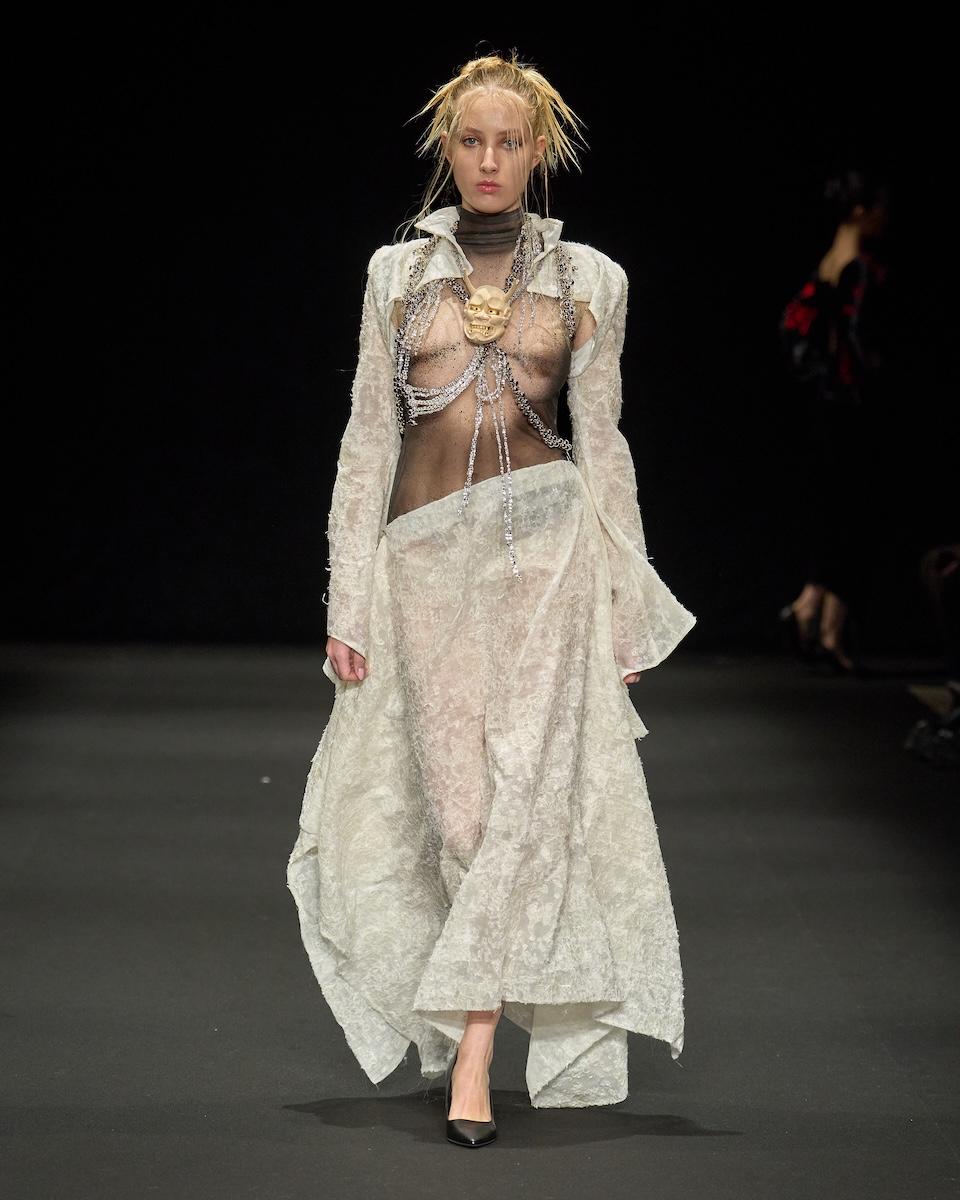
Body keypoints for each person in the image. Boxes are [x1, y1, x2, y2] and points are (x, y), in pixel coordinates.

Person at [286, 52, 697, 1147]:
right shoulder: (393, 276)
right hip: (423, 564)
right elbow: (368, 440)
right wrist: (347, 598)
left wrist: (626, 601)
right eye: (471, 139)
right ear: (447, 146)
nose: (489, 159)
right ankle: (463, 1018)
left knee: (524, 803)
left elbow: (605, 447)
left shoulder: (592, 281)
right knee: (459, 812)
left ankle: (474, 1056)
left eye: (510, 141)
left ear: (539, 151)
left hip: (548, 555)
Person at [778, 166, 893, 674]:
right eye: (881, 209)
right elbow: (861, 340)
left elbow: (794, 327)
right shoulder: (861, 269)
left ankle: (812, 606)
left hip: (823, 406)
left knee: (833, 508)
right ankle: (826, 627)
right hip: (851, 407)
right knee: (853, 511)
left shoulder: (828, 262)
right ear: (862, 211)